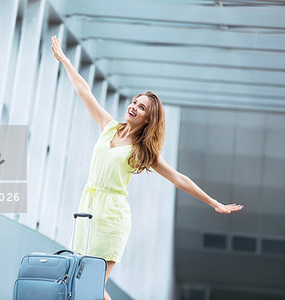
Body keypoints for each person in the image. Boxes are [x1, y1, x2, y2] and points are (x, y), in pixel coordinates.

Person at [51, 35, 243, 300]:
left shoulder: (144, 152)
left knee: (91, 287)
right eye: (134, 102)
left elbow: (178, 178)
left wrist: (213, 202)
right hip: (87, 209)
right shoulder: (109, 127)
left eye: (141, 107)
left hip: (112, 217)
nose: (133, 107)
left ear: (147, 119)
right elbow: (85, 92)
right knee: (80, 281)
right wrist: (66, 61)